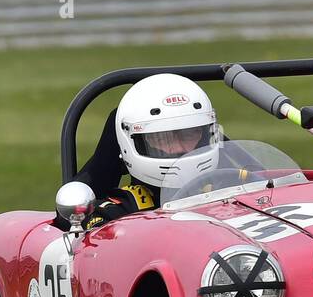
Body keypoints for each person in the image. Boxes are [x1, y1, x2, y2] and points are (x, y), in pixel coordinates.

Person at [76, 73, 220, 229]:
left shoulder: (228, 189)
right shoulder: (118, 213)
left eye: (189, 134)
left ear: (207, 134)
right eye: (162, 138)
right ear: (131, 143)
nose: (179, 148)